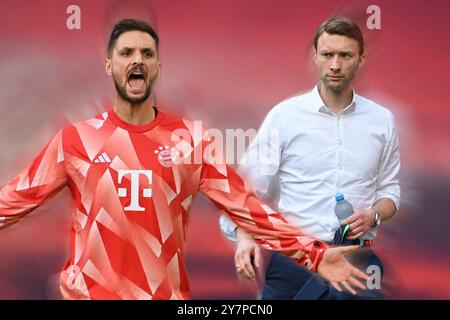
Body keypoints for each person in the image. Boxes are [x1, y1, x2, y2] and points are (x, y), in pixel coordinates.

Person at [0, 18, 368, 300]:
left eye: (146, 54)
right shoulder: (76, 139)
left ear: (157, 67)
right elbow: (14, 201)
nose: (137, 61)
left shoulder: (190, 140)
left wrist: (315, 255)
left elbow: (247, 209)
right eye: (126, 53)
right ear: (109, 66)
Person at [220, 16, 400, 299]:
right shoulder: (284, 117)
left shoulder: (382, 121)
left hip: (357, 262)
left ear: (361, 59)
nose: (335, 65)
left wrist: (373, 214)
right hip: (295, 261)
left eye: (345, 55)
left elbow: (390, 191)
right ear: (315, 56)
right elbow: (246, 188)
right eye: (327, 54)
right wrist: (244, 237)